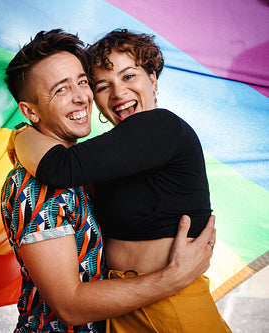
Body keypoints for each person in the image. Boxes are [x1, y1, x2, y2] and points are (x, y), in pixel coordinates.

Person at [13, 29, 231, 332]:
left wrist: (20, 134)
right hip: (122, 305)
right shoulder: (112, 154)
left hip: (170, 305)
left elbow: (58, 167)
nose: (118, 93)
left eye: (129, 77)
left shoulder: (161, 126)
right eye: (103, 85)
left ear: (152, 80)